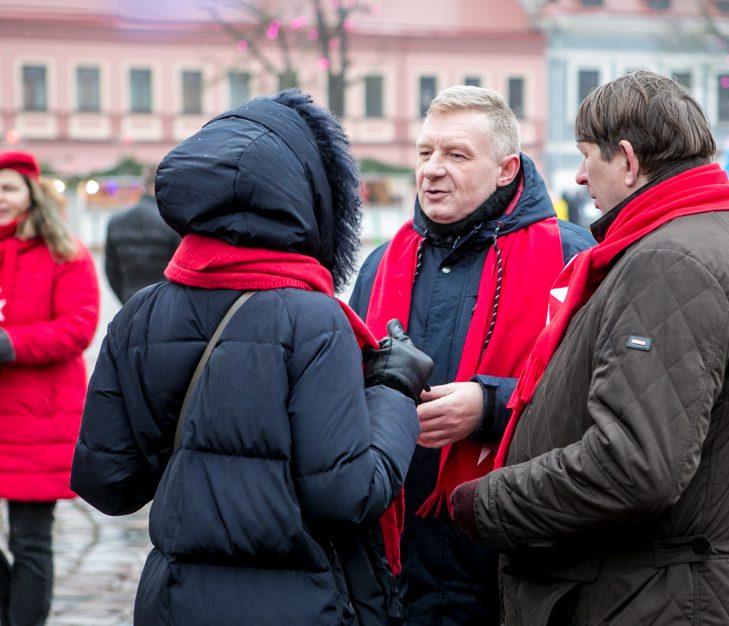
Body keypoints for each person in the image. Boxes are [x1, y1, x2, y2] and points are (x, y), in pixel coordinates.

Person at [70, 90, 434, 626]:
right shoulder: (312, 319)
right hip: (300, 604)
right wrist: (394, 394)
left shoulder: (140, 314)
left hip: (173, 602)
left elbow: (108, 482)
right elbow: (347, 494)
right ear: (309, 196)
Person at [450, 71, 729, 625]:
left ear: (629, 162)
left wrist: (487, 502)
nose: (582, 175)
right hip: (665, 590)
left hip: (649, 598)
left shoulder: (672, 259)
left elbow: (635, 461)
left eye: (588, 156)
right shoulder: (719, 232)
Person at [348, 86, 594, 625]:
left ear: (506, 169)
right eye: (425, 153)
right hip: (396, 566)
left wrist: (488, 407)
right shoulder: (381, 264)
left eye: (456, 155)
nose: (433, 170)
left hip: (512, 562)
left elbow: (596, 401)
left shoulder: (573, 259)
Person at [0, 150, 100, 626]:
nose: (0, 198)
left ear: (31, 195)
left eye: (8, 188)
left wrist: (12, 343)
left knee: (30, 542)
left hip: (37, 420)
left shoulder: (66, 253)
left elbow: (79, 327)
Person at [104, 164, 181, 304]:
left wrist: (126, 300)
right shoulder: (172, 220)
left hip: (130, 299)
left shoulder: (116, 221)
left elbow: (111, 270)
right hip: (165, 302)